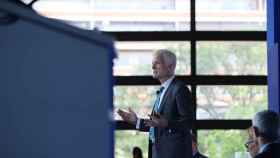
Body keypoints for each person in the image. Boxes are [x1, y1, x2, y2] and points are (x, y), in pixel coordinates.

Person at [118, 49, 194, 158]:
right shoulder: (162, 91)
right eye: (152, 64)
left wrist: (167, 124)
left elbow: (189, 123)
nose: (153, 67)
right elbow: (157, 126)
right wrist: (136, 121)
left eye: (157, 63)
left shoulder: (180, 89)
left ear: (170, 66)